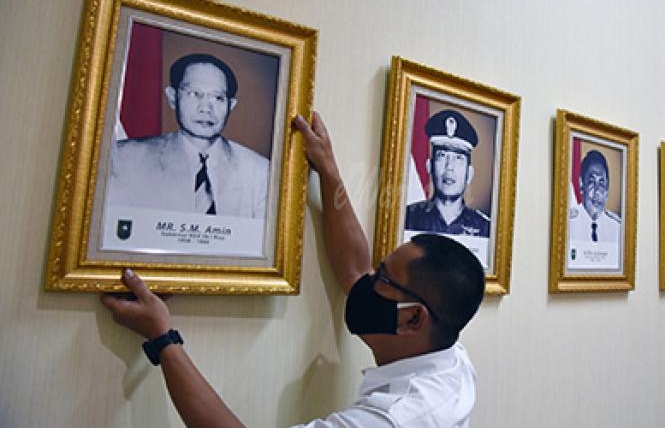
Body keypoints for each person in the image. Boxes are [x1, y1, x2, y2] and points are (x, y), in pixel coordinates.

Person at [100, 112, 486, 427]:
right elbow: (355, 269)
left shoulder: (395, 420)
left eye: (382, 278)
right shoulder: (448, 357)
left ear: (414, 319)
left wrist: (163, 339)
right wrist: (329, 171)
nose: (368, 282)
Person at [107, 53, 269, 219]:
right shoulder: (127, 159)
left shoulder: (260, 172)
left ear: (230, 105)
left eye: (217, 97)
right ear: (173, 98)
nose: (206, 108)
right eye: (193, 94)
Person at [404, 109, 490, 237]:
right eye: (442, 156)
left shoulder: (484, 228)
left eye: (458, 158)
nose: (449, 166)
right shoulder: (407, 218)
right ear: (429, 167)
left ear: (469, 174)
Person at [568, 149, 621, 247]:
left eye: (601, 183)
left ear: (607, 189)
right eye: (591, 182)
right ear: (581, 184)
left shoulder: (617, 227)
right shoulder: (569, 223)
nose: (597, 191)